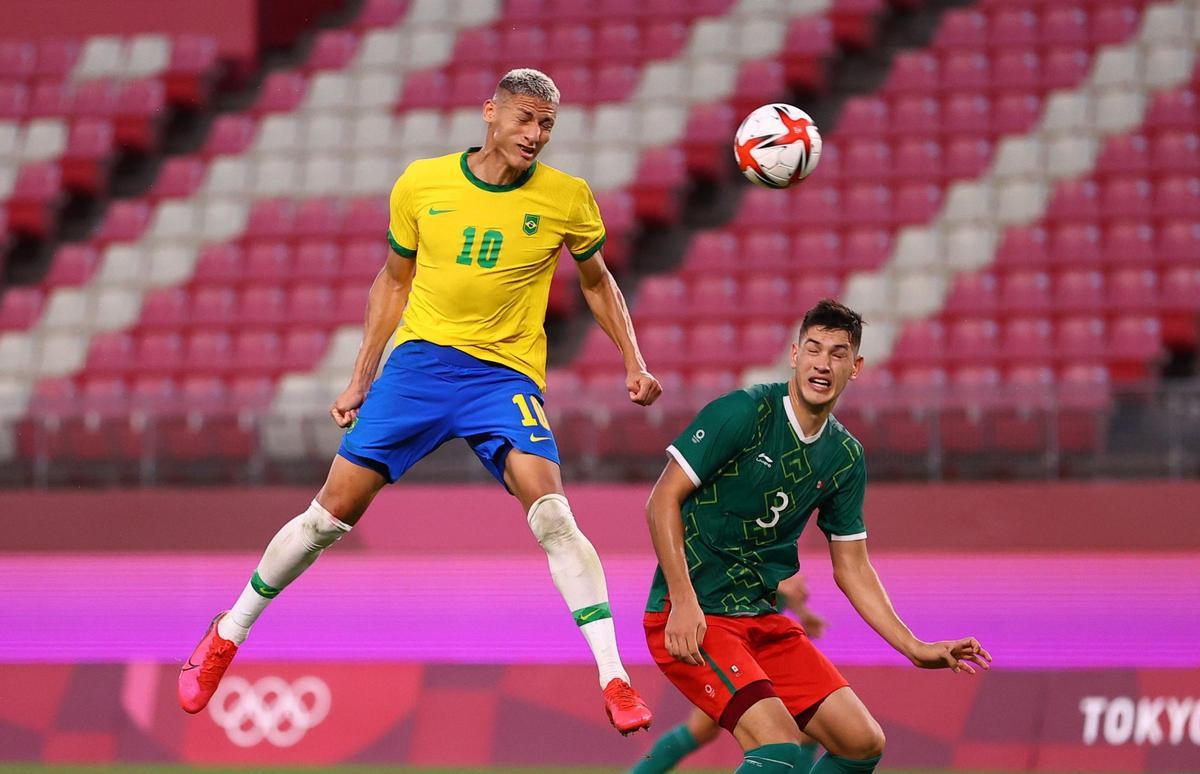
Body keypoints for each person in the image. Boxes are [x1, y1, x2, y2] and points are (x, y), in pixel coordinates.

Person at [178, 68, 661, 735]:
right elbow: (393, 282)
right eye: (524, 118)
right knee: (329, 516)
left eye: (547, 124)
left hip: (504, 378)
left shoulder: (566, 198)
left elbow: (600, 283)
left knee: (552, 513)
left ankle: (614, 676)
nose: (535, 134)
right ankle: (227, 634)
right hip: (421, 367)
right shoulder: (422, 184)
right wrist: (360, 377)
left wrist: (633, 361)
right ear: (490, 112)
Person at [642, 299, 991, 773]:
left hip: (760, 620)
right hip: (693, 616)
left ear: (856, 367)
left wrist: (914, 647)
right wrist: (682, 600)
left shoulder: (844, 456)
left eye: (838, 353)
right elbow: (661, 500)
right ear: (794, 355)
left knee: (861, 742)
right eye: (814, 349)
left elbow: (853, 567)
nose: (823, 364)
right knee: (780, 747)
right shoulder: (745, 412)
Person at [632, 573, 826, 774]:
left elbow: (782, 591)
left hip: (757, 644)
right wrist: (777, 581)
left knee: (702, 729)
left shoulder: (773, 553)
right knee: (701, 729)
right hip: (731, 642)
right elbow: (747, 580)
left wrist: (802, 612)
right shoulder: (741, 555)